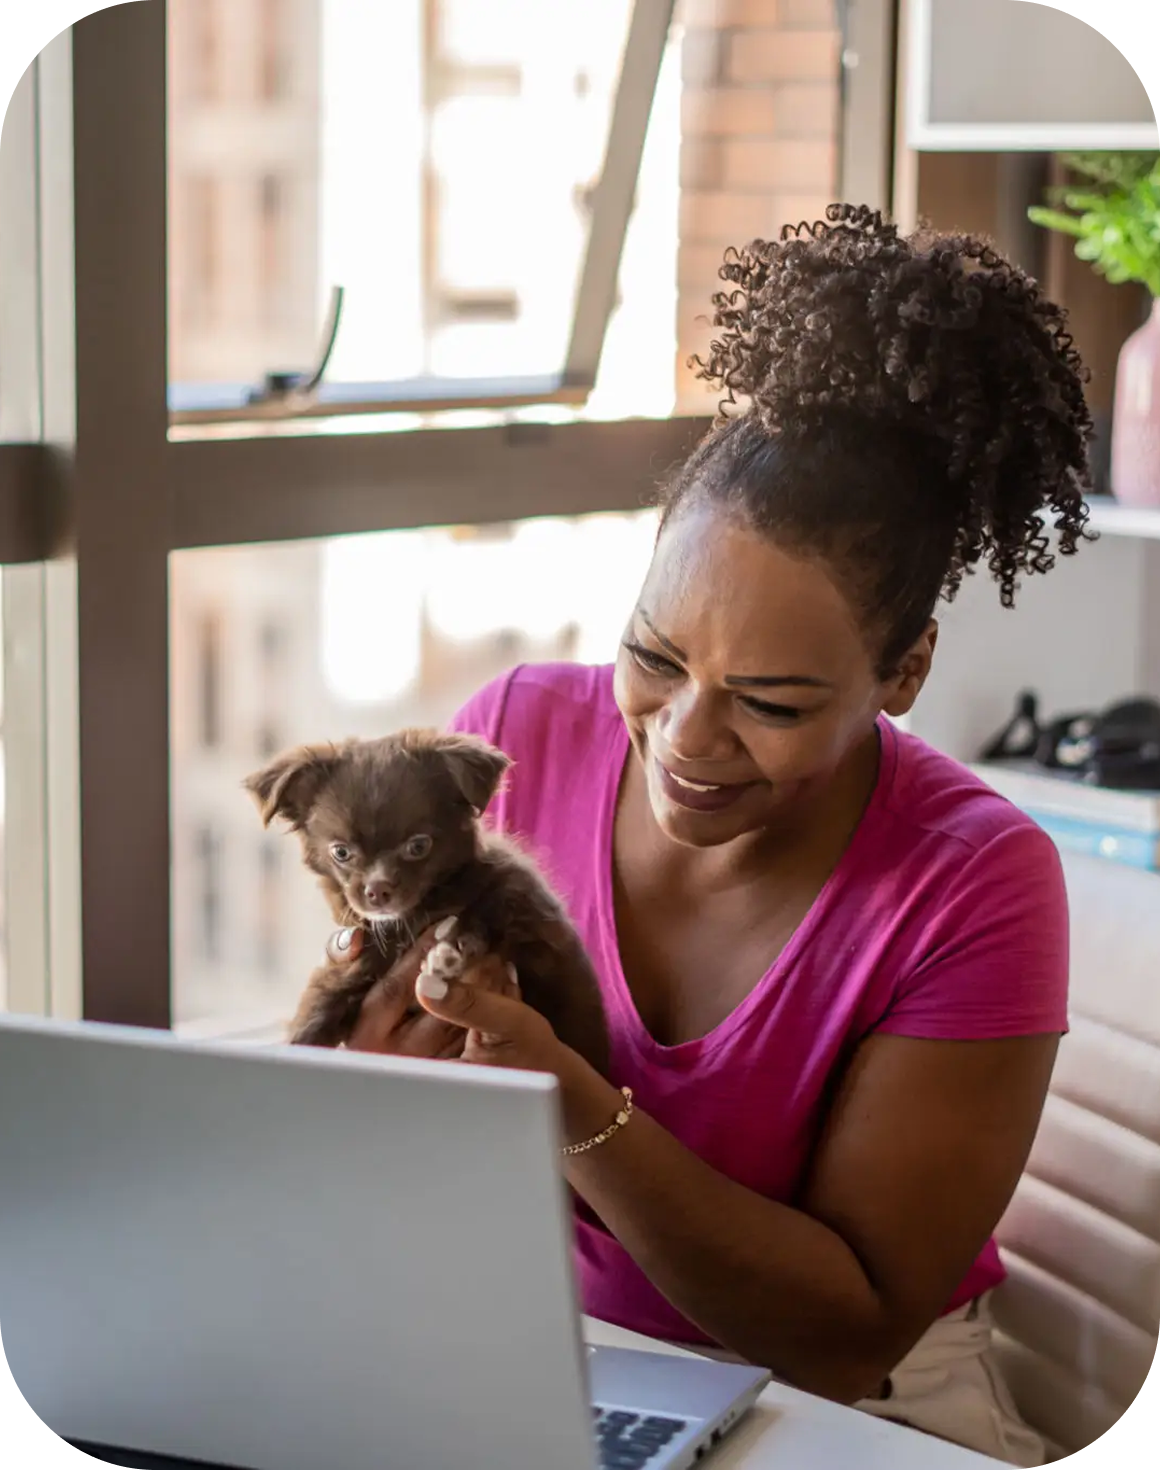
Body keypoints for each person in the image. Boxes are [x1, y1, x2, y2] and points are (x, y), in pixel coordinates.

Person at [337, 203, 1094, 1466]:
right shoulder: (512, 737)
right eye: (653, 655)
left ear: (902, 672)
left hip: (859, 1412)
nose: (685, 739)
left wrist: (563, 1098)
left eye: (772, 703)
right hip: (538, 1350)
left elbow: (846, 1334)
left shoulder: (976, 884)